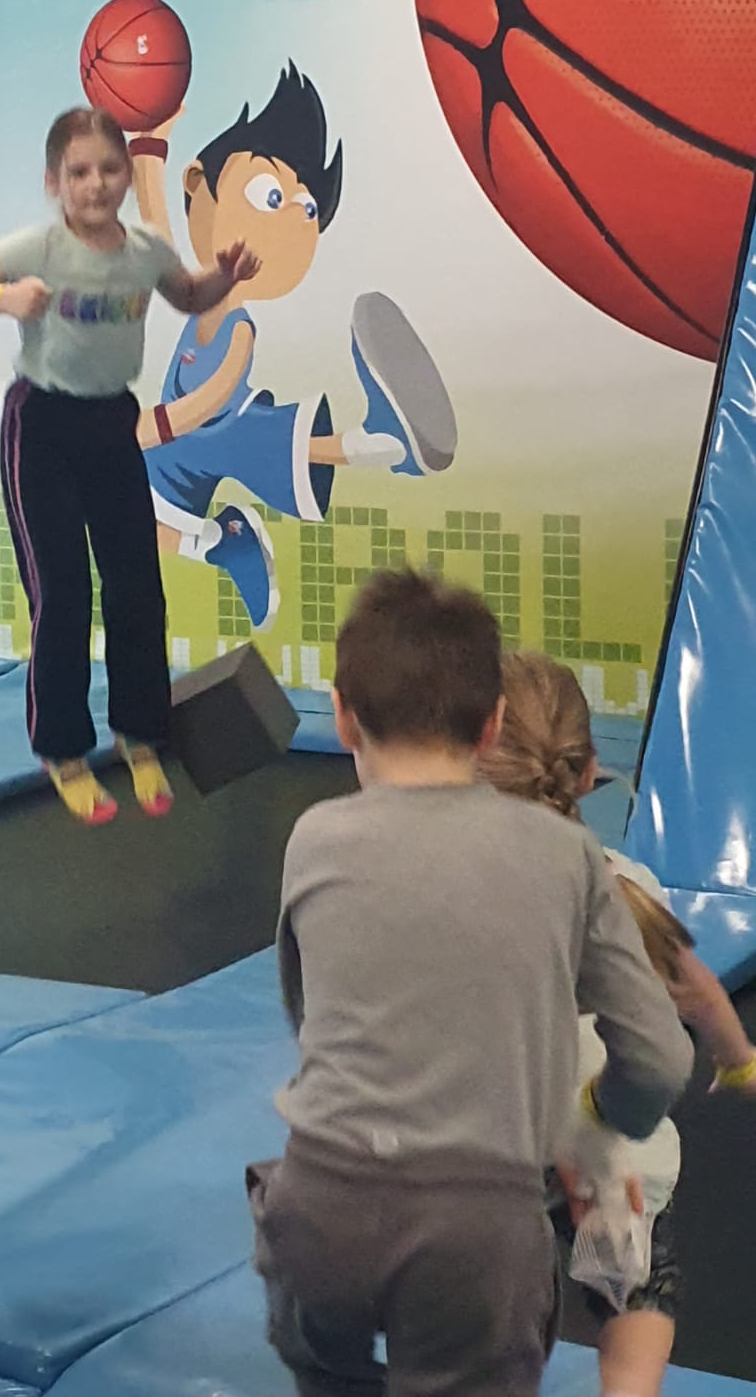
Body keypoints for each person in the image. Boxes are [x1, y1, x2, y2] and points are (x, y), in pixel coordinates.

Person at [248, 568, 693, 1397]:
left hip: (319, 1202)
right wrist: (604, 1118)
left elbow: (309, 1021)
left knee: (324, 1360)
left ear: (341, 714)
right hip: (474, 1224)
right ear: (490, 725)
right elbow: (662, 1058)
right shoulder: (566, 854)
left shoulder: (313, 837)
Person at [0, 105, 258, 824]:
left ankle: (140, 733)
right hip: (41, 426)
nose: (95, 183)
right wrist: (1, 297)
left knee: (136, 585)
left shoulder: (145, 251)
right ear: (54, 182)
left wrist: (222, 278)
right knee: (63, 592)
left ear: (128, 177)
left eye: (108, 169)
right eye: (78, 172)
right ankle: (63, 749)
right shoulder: (38, 248)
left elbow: (188, 295)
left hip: (111, 423)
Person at [481, 650, 756, 1397]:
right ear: (589, 771)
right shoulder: (626, 887)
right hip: (614, 1144)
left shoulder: (462, 897)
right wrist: (738, 1060)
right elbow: (696, 991)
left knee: (496, 1291)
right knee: (639, 1288)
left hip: (505, 1143)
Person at [130, 63, 457, 629]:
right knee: (129, 517)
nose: (290, 223)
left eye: (307, 212)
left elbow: (212, 401)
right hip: (170, 457)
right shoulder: (199, 294)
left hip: (199, 437)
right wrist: (147, 148)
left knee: (243, 439)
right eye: (272, 195)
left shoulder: (237, 328)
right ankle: (225, 542)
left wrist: (140, 427)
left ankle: (378, 443)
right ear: (199, 185)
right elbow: (157, 233)